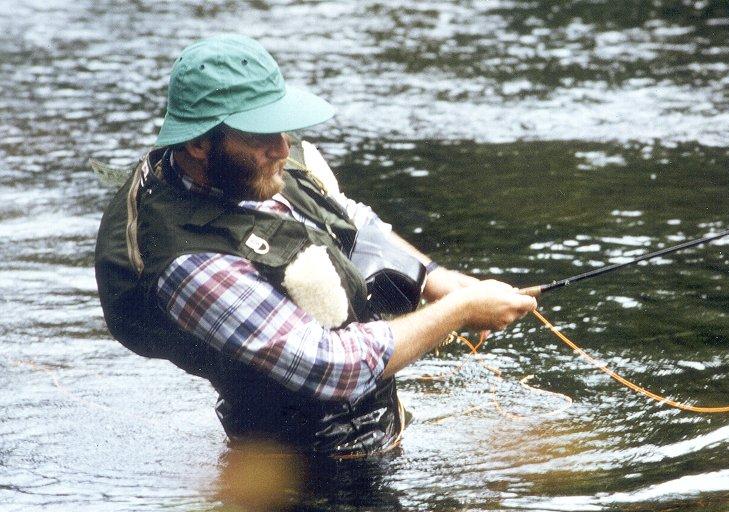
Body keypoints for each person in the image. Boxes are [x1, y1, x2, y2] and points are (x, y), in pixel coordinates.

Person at [94, 34, 536, 458]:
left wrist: (434, 278)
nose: (283, 148)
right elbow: (332, 367)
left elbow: (348, 222)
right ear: (197, 144)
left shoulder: (255, 165)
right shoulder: (189, 262)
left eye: (281, 126)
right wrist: (458, 311)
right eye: (260, 134)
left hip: (373, 434)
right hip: (303, 469)